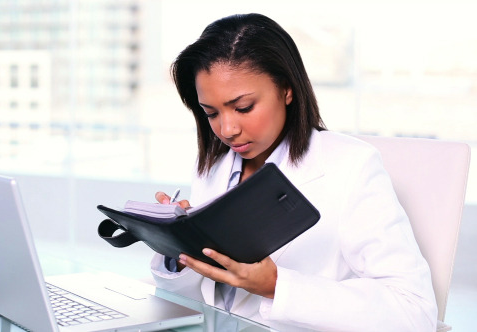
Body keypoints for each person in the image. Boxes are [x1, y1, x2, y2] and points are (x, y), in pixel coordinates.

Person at [150, 13, 437, 331]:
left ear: (286, 89)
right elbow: (202, 302)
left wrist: (277, 287)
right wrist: (177, 252)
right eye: (211, 113)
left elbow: (415, 312)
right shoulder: (214, 168)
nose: (227, 129)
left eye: (244, 107)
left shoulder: (352, 166)